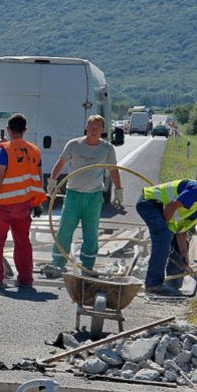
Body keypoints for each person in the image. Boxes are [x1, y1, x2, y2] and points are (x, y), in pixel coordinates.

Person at [41, 115, 123, 278]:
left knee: (91, 232)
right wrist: (51, 182)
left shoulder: (107, 149)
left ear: (102, 130)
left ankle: (87, 265)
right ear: (86, 127)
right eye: (91, 126)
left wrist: (119, 190)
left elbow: (113, 170)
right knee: (65, 229)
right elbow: (61, 162)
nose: (93, 129)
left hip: (93, 196)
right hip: (74, 194)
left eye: (97, 127)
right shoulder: (74, 145)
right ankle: (58, 263)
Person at [0, 113, 47, 289]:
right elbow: (38, 177)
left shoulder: (4, 149)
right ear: (25, 130)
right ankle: (26, 278)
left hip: (2, 206)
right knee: (23, 242)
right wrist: (37, 202)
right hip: (24, 205)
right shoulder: (35, 151)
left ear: (8, 130)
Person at [136, 180, 197, 294]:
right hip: (150, 203)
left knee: (169, 242)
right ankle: (153, 284)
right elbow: (172, 205)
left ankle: (172, 284)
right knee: (164, 237)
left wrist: (184, 254)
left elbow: (182, 229)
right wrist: (163, 233)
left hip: (161, 211)